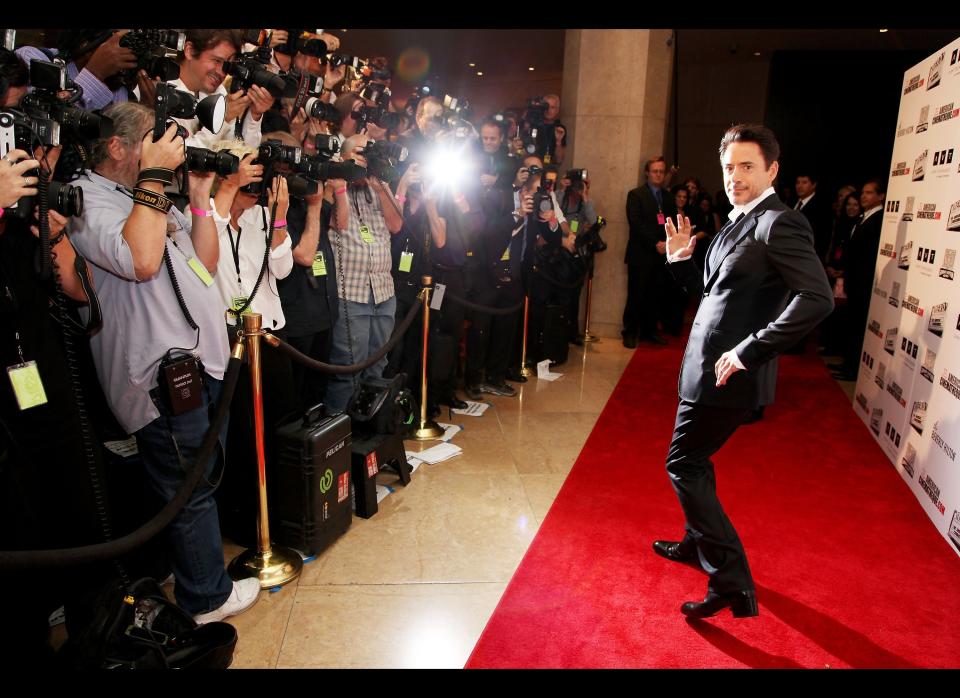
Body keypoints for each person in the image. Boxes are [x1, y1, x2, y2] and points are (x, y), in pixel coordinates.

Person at [69, 102, 261, 623]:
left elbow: (203, 267)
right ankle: (206, 597)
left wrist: (199, 199)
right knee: (187, 485)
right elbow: (142, 261)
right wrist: (155, 176)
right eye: (156, 141)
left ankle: (193, 570)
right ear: (118, 146)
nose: (169, 151)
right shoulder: (87, 198)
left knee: (198, 477)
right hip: (156, 371)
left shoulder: (145, 197)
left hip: (198, 361)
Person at [654, 124, 833, 618]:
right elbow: (714, 295)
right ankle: (696, 542)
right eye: (729, 167)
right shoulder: (738, 221)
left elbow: (816, 299)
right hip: (702, 369)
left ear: (773, 170)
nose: (735, 176)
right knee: (695, 460)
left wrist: (750, 350)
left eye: (747, 166)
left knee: (683, 464)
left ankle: (732, 581)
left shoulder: (779, 223)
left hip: (729, 375)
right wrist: (679, 261)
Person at [623, 156, 675, 347]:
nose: (659, 174)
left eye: (661, 171)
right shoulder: (636, 195)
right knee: (636, 295)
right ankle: (629, 332)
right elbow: (636, 224)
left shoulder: (668, 197)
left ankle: (649, 331)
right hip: (641, 254)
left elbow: (671, 223)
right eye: (655, 171)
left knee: (655, 295)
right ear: (647, 172)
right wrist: (655, 243)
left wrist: (667, 243)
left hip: (661, 255)